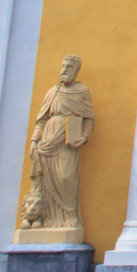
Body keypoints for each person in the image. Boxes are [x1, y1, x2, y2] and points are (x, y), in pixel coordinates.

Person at [24, 55, 94, 233]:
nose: (64, 70)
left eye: (69, 67)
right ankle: (46, 217)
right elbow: (41, 119)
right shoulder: (52, 92)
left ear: (76, 70)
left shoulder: (82, 91)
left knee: (65, 177)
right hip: (48, 139)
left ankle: (69, 216)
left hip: (68, 140)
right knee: (45, 181)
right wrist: (34, 140)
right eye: (63, 66)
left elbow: (88, 118)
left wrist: (84, 137)